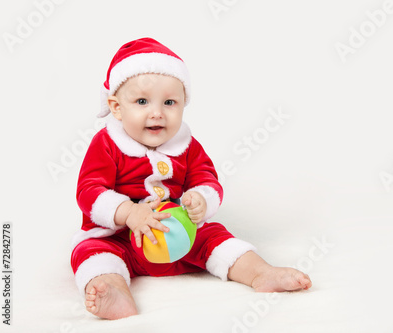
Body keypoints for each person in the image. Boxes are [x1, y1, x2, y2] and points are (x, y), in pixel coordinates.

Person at [70, 37, 312, 320]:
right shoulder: (107, 144)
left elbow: (206, 177)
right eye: (142, 101)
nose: (157, 112)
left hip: (177, 233)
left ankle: (261, 273)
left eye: (170, 102)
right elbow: (89, 190)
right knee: (91, 252)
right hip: (120, 237)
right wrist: (128, 213)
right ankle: (113, 289)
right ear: (116, 107)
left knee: (215, 237)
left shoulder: (187, 145)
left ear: (184, 104)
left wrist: (201, 198)